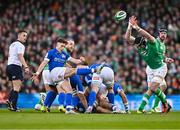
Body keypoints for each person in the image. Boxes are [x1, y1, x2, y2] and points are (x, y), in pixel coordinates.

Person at [31, 37, 103, 114]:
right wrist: (37, 73)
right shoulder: (53, 52)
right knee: (73, 71)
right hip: (53, 71)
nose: (72, 46)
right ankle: (93, 70)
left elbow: (74, 61)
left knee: (68, 91)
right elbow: (44, 62)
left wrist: (81, 60)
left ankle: (66, 109)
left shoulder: (64, 54)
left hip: (55, 74)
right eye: (70, 44)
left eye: (73, 45)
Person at [125, 16, 174, 113]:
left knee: (159, 87)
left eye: (165, 33)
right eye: (162, 33)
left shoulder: (152, 42)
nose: (137, 45)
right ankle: (142, 109)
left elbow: (147, 36)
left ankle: (164, 104)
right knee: (152, 90)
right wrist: (129, 26)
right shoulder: (139, 45)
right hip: (150, 68)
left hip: (160, 68)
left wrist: (137, 27)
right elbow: (127, 38)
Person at [6, 30, 29, 112]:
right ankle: (14, 106)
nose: (25, 37)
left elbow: (9, 55)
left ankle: (9, 100)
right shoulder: (20, 45)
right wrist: (26, 66)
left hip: (9, 66)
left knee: (16, 86)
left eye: (26, 36)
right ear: (19, 36)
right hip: (15, 66)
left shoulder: (12, 44)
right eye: (24, 35)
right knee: (16, 87)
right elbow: (20, 56)